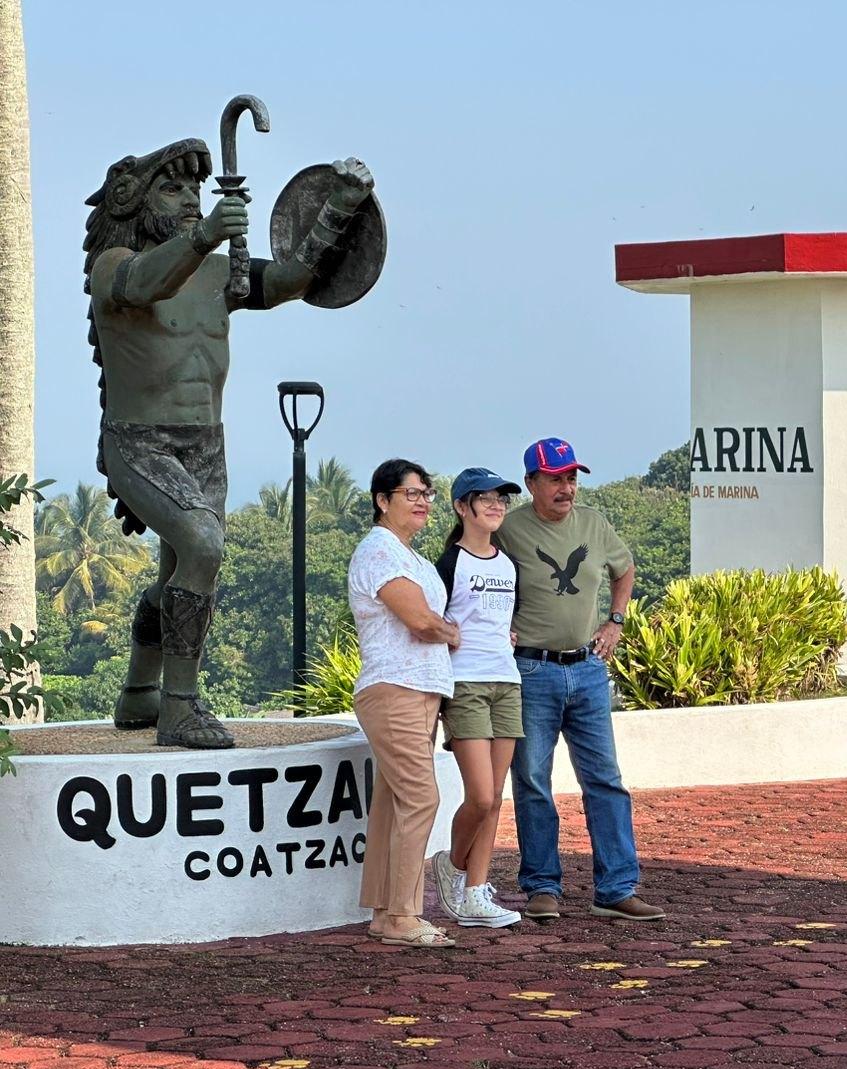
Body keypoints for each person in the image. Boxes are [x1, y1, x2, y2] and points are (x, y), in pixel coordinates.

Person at [85, 136, 374, 748]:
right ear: (133, 203)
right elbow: (142, 286)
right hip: (139, 442)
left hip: (206, 443)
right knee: (203, 547)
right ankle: (180, 708)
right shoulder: (113, 265)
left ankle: (141, 691)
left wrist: (340, 207)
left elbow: (294, 278)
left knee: (183, 572)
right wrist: (204, 235)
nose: (190, 198)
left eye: (194, 189)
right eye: (173, 188)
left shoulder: (220, 268)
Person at [496, 438, 664, 922]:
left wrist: (615, 620)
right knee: (531, 781)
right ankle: (542, 886)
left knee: (606, 781)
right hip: (531, 671)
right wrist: (494, 625)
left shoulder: (594, 523)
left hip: (588, 670)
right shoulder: (507, 530)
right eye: (555, 478)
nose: (566, 487)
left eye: (571, 477)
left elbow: (625, 569)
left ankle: (616, 888)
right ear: (531, 483)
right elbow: (473, 572)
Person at [348, 460, 461, 948]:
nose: (421, 501)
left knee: (394, 804)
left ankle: (383, 912)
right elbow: (422, 621)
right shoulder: (379, 551)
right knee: (421, 797)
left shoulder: (410, 556)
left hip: (418, 689)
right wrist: (452, 632)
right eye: (410, 492)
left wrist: (444, 630)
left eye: (427, 493)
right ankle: (403, 916)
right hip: (394, 688)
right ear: (382, 500)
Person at [429, 468, 525, 930]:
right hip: (465, 685)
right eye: (484, 498)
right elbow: (432, 623)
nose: (495, 506)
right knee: (481, 797)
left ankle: (474, 893)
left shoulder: (508, 564)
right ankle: (451, 865)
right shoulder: (447, 565)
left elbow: (506, 622)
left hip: (507, 683)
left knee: (497, 796)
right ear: (461, 507)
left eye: (502, 499)